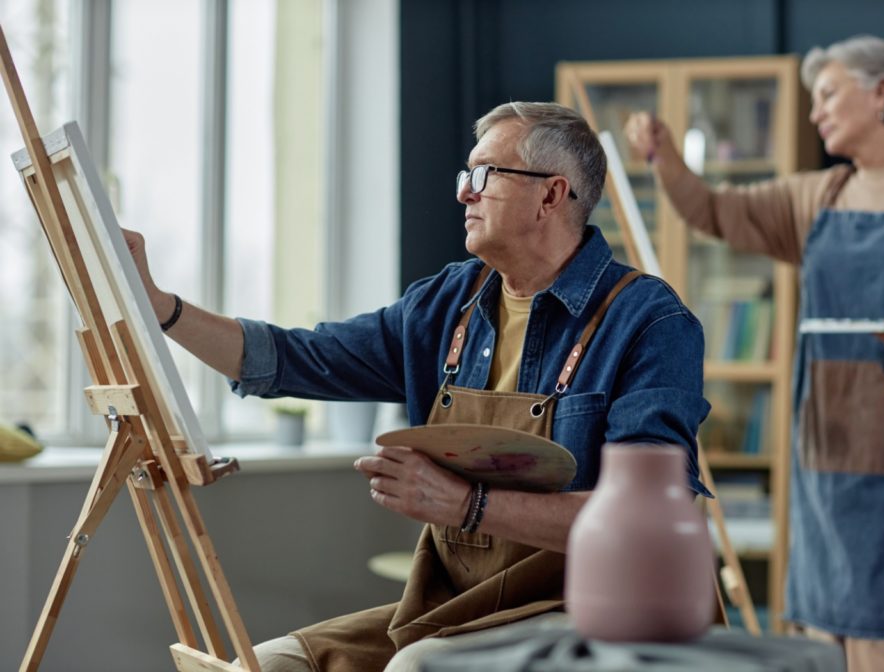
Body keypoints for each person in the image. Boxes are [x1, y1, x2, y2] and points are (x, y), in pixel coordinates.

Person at [126, 101, 710, 672]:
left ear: (551, 195)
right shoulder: (447, 303)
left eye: (485, 174)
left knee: (418, 666)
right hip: (458, 610)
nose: (464, 191)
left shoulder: (649, 322)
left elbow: (647, 520)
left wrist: (468, 505)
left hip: (600, 613)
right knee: (273, 663)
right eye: (466, 174)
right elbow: (293, 357)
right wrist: (161, 309)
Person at [625, 35, 884, 672]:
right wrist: (665, 157)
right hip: (826, 457)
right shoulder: (815, 198)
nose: (816, 113)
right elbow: (715, 212)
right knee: (818, 645)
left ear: (882, 94)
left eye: (829, 95)